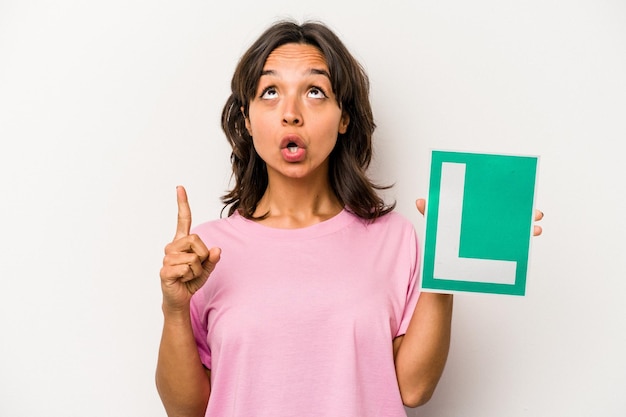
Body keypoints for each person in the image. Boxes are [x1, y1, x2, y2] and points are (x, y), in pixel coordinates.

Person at [155, 20, 543, 417]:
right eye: (270, 92)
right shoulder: (205, 253)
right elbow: (185, 410)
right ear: (247, 119)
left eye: (314, 92)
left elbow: (414, 387)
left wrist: (446, 261)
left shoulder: (394, 238)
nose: (291, 113)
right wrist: (174, 309)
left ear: (344, 118)